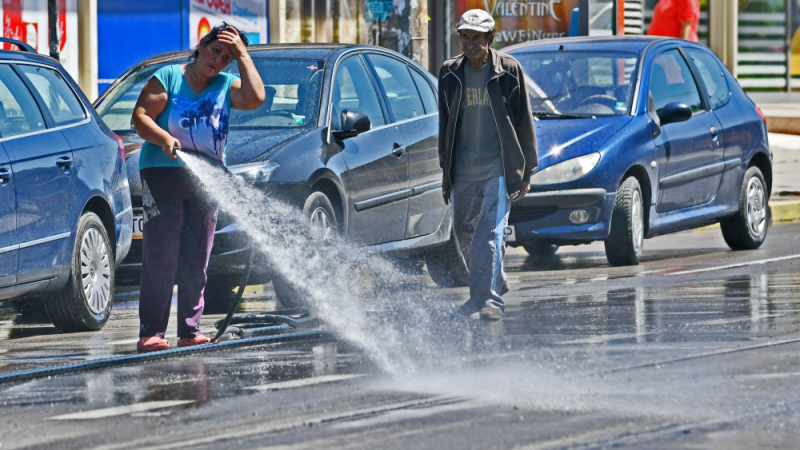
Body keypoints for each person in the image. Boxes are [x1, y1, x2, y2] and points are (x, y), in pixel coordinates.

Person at [132, 23, 265, 352]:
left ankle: (190, 331)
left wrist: (244, 54)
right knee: (161, 255)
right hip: (164, 171)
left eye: (227, 57)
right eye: (215, 50)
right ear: (201, 45)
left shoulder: (226, 86)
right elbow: (140, 117)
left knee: (197, 257)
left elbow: (256, 97)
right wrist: (164, 138)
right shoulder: (170, 78)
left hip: (207, 177)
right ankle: (151, 333)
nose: (218, 60)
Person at [438, 9, 538, 321]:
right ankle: (494, 279)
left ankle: (488, 300)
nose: (470, 44)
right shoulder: (449, 72)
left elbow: (524, 121)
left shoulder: (508, 70)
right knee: (464, 233)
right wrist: (445, 172)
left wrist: (526, 170)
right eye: (465, 38)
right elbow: (445, 124)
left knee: (490, 235)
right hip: (463, 169)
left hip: (497, 168)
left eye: (476, 39)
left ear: (490, 39)